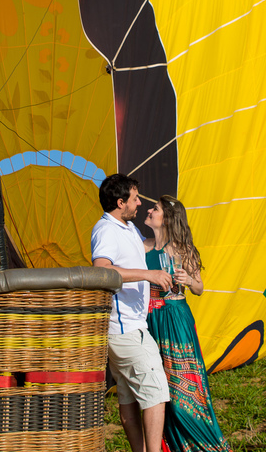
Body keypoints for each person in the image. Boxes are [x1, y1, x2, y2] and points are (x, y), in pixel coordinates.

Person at [91, 173, 174, 452]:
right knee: (155, 394)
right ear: (120, 202)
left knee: (127, 399)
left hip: (129, 327)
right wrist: (147, 275)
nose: (140, 203)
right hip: (126, 329)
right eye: (135, 198)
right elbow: (102, 271)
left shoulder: (127, 228)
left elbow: (149, 249)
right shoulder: (106, 230)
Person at [144, 196, 233, 452]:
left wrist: (189, 280)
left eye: (155, 209)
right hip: (150, 319)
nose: (149, 211)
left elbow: (200, 288)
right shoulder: (143, 247)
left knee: (183, 381)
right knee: (157, 383)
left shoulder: (184, 250)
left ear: (167, 219)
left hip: (175, 319)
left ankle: (202, 441)